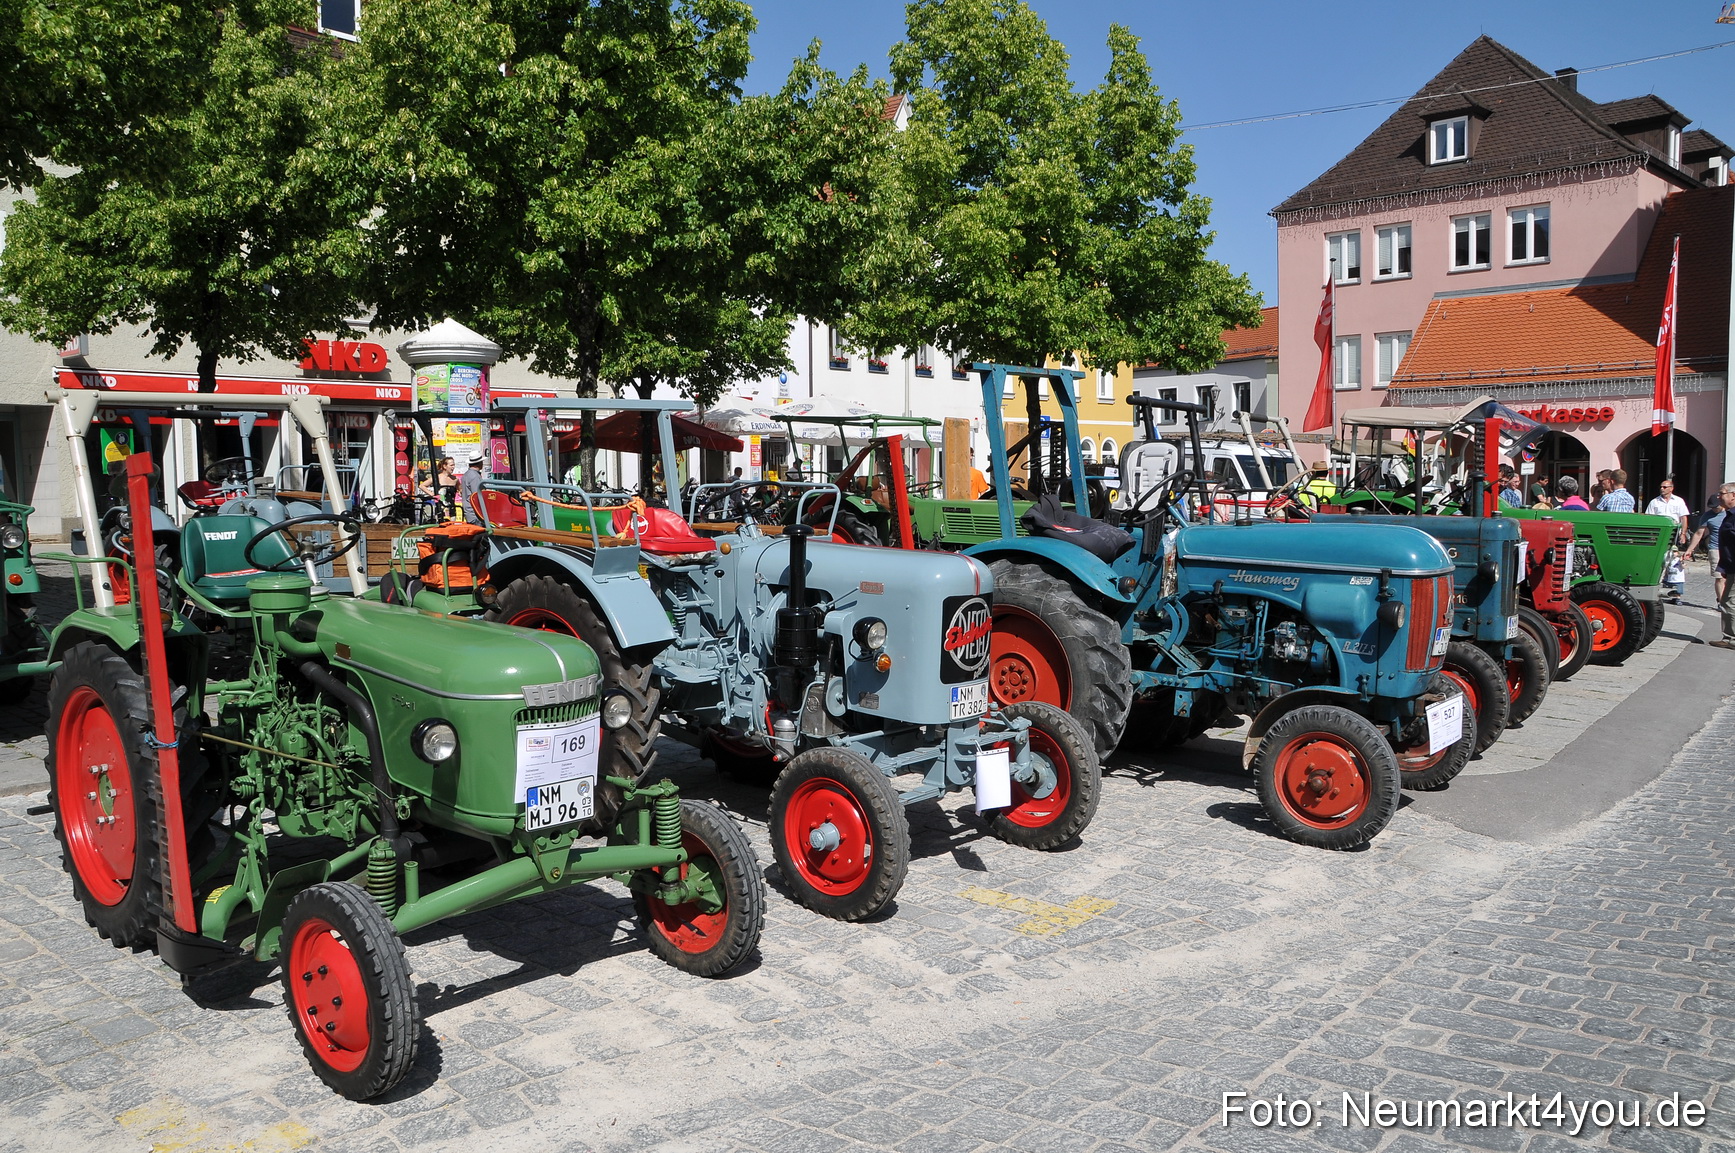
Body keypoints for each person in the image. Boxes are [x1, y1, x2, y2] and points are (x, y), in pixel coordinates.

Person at [1646, 477, 1691, 601]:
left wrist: (1683, 533)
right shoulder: (1654, 502)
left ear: (1671, 488)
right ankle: (1660, 585)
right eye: (1661, 487)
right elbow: (1649, 519)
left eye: (1665, 487)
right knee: (1661, 559)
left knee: (1675, 560)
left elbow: (1683, 518)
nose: (1662, 489)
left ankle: (1677, 592)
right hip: (1659, 535)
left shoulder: (1679, 501)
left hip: (1674, 534)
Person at [1710, 484, 1735, 649]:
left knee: (1728, 601)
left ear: (1733, 495)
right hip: (1731, 566)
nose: (1719, 497)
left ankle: (1731, 639)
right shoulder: (1728, 515)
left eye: (1722, 494)